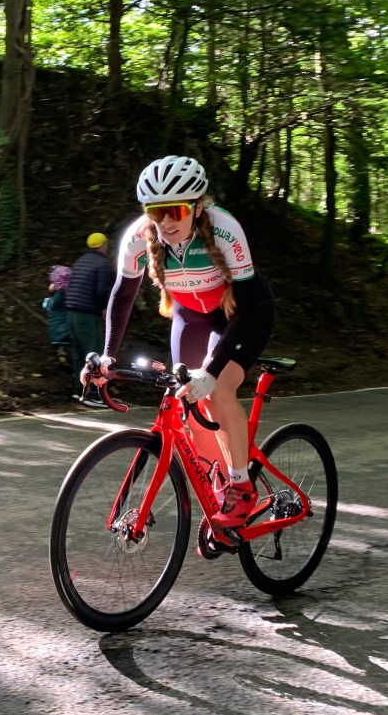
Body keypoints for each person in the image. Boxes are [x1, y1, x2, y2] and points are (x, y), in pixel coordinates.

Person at [89, 155, 274, 528]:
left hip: (240, 314)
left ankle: (242, 486)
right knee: (188, 403)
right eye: (156, 212)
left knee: (217, 389)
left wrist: (212, 369)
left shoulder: (225, 229)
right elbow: (122, 297)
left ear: (198, 207)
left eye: (175, 211)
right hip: (190, 318)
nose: (166, 222)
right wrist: (107, 357)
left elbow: (248, 305)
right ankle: (220, 484)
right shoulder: (139, 237)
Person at [66, 232, 115, 408]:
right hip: (87, 314)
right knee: (93, 353)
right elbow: (101, 291)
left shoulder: (80, 261)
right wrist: (103, 308)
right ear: (102, 245)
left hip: (71, 312)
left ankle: (79, 390)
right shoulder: (102, 264)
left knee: (78, 352)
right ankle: (92, 394)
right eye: (105, 244)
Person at [42, 264, 71, 367]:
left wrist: (48, 299)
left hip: (59, 330)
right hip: (63, 328)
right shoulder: (66, 292)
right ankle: (63, 356)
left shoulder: (59, 293)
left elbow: (50, 306)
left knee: (63, 347)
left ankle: (62, 356)